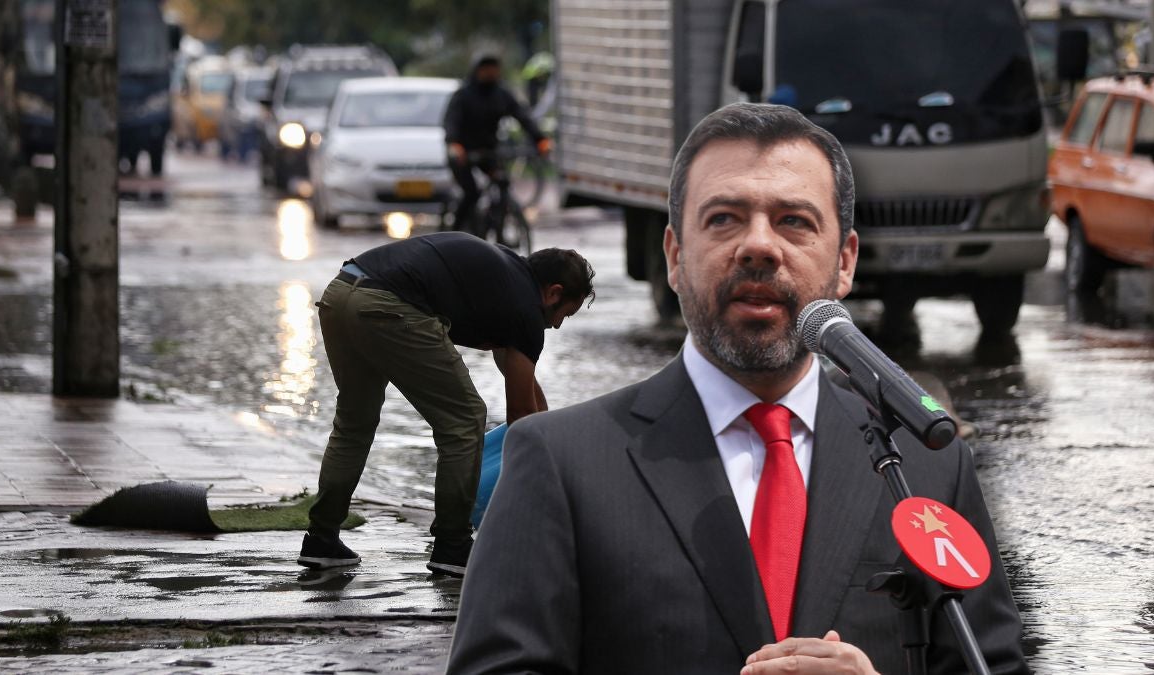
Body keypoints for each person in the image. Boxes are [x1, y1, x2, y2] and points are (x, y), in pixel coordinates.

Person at [447, 103, 1029, 673]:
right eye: (723, 218)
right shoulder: (558, 461)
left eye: (794, 221)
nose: (759, 246)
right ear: (674, 256)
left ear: (845, 262)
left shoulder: (929, 468)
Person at [296, 231, 595, 577]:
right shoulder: (526, 310)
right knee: (465, 420)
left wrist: (548, 426)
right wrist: (554, 467)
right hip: (386, 305)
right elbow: (521, 417)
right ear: (553, 293)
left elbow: (520, 377)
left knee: (354, 421)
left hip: (341, 294)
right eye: (564, 315)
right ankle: (453, 545)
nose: (556, 325)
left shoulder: (504, 276)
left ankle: (321, 538)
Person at [443, 54, 551, 238]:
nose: (491, 73)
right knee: (471, 192)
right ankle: (453, 233)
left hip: (489, 152)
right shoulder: (463, 95)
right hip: (463, 154)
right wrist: (454, 144)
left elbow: (522, 116)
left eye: (494, 69)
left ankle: (498, 228)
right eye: (486, 69)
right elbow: (451, 122)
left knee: (502, 183)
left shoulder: (501, 94)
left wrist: (540, 139)